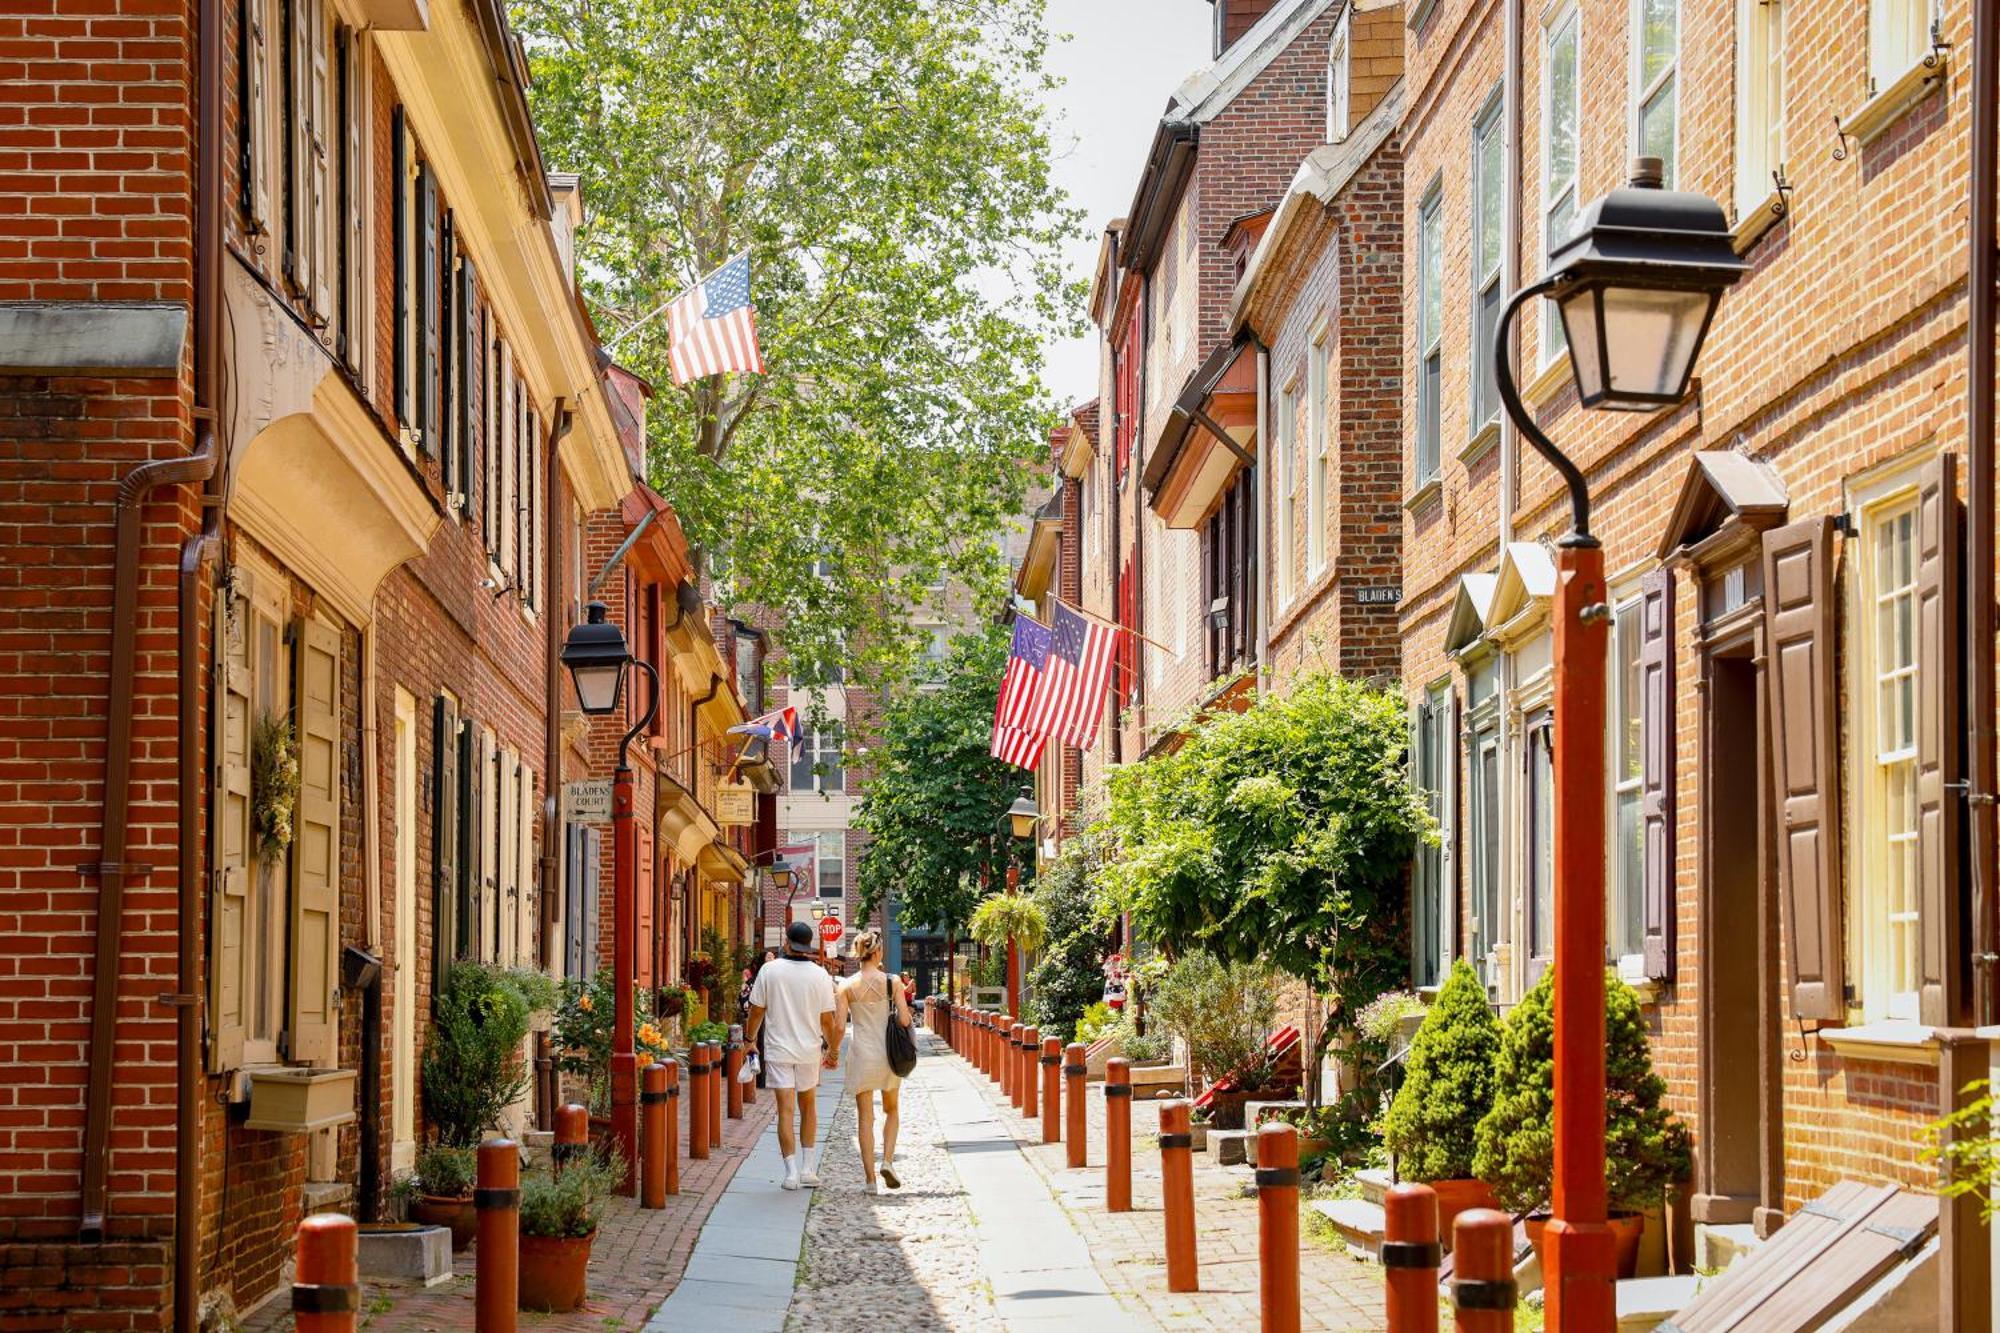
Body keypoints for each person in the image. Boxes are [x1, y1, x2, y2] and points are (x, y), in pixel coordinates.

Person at [744, 920, 839, 1189]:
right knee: (809, 1107)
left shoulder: (769, 970)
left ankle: (790, 1173)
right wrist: (832, 1051)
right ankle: (809, 1169)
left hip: (778, 1049)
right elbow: (828, 1021)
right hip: (809, 1049)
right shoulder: (820, 975)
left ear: (787, 942)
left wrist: (750, 1040)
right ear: (807, 946)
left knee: (785, 1110)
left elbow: (757, 1011)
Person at [833, 928, 910, 1193]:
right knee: (892, 1110)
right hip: (889, 1056)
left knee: (865, 1117)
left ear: (859, 952)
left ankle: (870, 1181)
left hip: (862, 1056)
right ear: (877, 952)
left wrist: (832, 1053)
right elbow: (904, 1020)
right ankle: (887, 1161)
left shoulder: (845, 986)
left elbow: (840, 1027)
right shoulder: (893, 982)